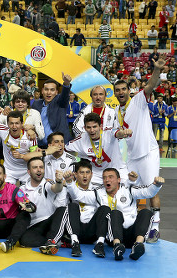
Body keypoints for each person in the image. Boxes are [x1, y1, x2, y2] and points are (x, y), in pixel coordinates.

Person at [113, 54, 166, 242]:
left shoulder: (138, 101)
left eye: (123, 89)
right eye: (117, 90)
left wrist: (157, 69)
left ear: (129, 90)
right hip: (133, 158)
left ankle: (155, 227)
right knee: (131, 190)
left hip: (149, 152)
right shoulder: (116, 112)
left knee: (153, 187)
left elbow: (150, 86)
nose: (120, 92)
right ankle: (137, 223)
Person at [66, 168, 164, 260]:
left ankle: (138, 245)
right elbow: (78, 195)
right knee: (115, 213)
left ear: (118, 180)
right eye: (104, 178)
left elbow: (147, 192)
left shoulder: (128, 190)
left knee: (146, 212)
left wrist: (156, 185)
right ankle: (117, 246)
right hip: (113, 236)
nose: (107, 180)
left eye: (110, 177)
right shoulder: (98, 193)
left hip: (132, 234)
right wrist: (70, 182)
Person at [66, 113, 132, 185]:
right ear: (84, 128)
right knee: (83, 188)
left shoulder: (108, 131)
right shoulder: (81, 139)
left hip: (117, 169)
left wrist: (124, 133)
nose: (92, 130)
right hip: (96, 173)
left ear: (100, 126)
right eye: (88, 127)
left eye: (94, 127)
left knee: (128, 187)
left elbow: (117, 133)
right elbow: (64, 149)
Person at [63, 160, 111, 257]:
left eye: (87, 172)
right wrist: (62, 184)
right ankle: (75, 243)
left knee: (105, 208)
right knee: (72, 206)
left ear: (92, 174)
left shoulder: (98, 189)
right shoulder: (67, 187)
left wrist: (69, 183)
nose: (85, 176)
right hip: (74, 229)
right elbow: (60, 206)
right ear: (75, 174)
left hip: (92, 230)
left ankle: (100, 243)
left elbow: (78, 195)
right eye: (82, 173)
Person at [19, 157, 66, 255]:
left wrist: (58, 181)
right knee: (24, 241)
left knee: (62, 210)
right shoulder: (22, 189)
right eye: (35, 167)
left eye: (41, 167)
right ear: (29, 171)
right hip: (34, 225)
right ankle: (53, 242)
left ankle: (53, 240)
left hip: (50, 222)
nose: (39, 169)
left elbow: (57, 189)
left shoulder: (47, 183)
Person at [32, 73, 73, 146]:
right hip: (39, 146)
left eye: (52, 90)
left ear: (56, 92)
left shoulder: (60, 102)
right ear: (42, 91)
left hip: (57, 146)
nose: (48, 92)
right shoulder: (36, 104)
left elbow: (64, 96)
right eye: (46, 89)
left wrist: (66, 84)